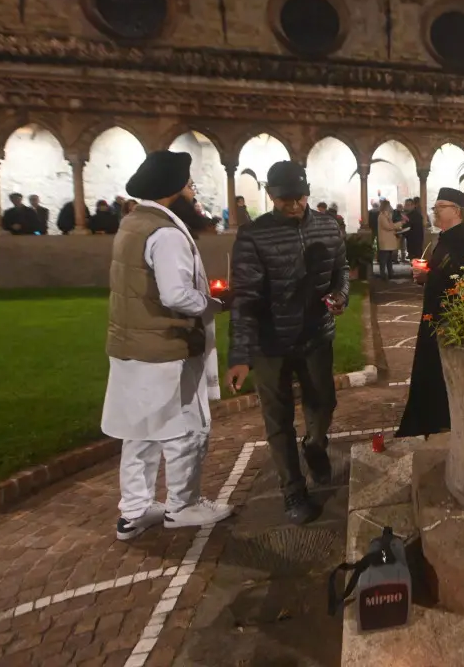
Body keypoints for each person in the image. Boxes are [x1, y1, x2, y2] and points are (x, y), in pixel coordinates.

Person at [101, 151, 234, 541]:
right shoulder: (167, 233)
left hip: (132, 346)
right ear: (174, 191)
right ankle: (182, 505)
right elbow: (176, 294)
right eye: (190, 186)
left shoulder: (133, 223)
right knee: (183, 428)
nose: (194, 194)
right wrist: (215, 304)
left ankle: (135, 509)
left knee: (140, 431)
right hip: (163, 347)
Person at [226, 161, 349, 525]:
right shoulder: (253, 236)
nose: (293, 206)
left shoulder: (328, 227)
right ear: (270, 195)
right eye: (284, 200)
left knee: (323, 402)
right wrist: (241, 354)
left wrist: (339, 295)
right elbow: (245, 298)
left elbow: (341, 272)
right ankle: (293, 490)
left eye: (298, 198)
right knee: (277, 419)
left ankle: (315, 445)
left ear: (307, 192)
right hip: (270, 342)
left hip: (315, 334)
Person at [396, 187, 464, 438]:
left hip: (451, 317)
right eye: (435, 207)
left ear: (456, 211)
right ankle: (431, 421)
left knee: (440, 371)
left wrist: (429, 275)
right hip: (435, 313)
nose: (434, 211)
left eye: (440, 207)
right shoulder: (445, 238)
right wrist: (426, 277)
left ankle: (442, 421)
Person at [376, 199, 402, 280]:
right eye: (389, 205)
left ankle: (390, 273)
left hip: (389, 241)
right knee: (383, 260)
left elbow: (391, 226)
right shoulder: (382, 216)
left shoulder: (387, 215)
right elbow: (388, 227)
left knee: (389, 260)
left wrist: (397, 228)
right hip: (385, 241)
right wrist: (400, 224)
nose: (390, 207)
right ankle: (383, 274)